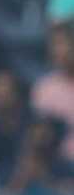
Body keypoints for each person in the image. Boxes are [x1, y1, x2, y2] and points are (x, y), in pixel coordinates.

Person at [31, 22, 74, 162]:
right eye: (54, 45)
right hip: (58, 163)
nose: (59, 50)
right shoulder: (45, 89)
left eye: (64, 44)